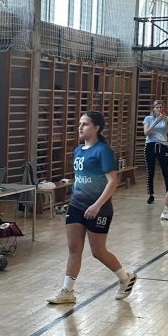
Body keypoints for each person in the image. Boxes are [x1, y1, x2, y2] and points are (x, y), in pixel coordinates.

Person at [47, 111, 137, 305]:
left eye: (85, 124)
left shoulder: (103, 151)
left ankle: (125, 277)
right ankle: (67, 291)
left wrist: (97, 205)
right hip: (76, 205)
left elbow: (112, 181)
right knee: (74, 248)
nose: (80, 127)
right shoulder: (78, 151)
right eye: (80, 124)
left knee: (98, 251)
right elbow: (81, 177)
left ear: (96, 127)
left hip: (99, 208)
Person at [143, 100, 168, 204]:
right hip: (150, 145)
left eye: (161, 107)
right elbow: (146, 132)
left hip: (162, 145)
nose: (159, 109)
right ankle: (150, 194)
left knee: (166, 171)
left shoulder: (167, 119)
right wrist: (156, 122)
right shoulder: (148, 118)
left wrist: (166, 121)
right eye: (157, 107)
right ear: (153, 108)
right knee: (150, 171)